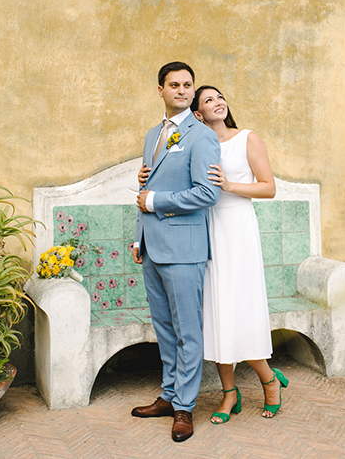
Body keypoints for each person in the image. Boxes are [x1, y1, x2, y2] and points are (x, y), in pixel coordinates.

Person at [139, 84, 289, 425]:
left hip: (236, 231)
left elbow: (269, 187)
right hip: (203, 231)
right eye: (209, 100)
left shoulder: (247, 138)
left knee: (240, 309)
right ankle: (229, 393)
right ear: (197, 112)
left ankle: (269, 381)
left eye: (220, 97)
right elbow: (171, 177)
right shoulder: (191, 139)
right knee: (214, 313)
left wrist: (229, 186)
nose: (218, 103)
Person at [130, 62, 221, 443]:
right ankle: (168, 395)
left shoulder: (201, 137)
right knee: (165, 329)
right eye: (174, 84)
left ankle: (185, 406)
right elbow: (144, 190)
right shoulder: (154, 133)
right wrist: (139, 237)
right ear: (160, 90)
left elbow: (207, 193)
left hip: (184, 249)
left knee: (187, 331)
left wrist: (155, 201)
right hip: (152, 248)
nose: (182, 90)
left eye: (188, 85)